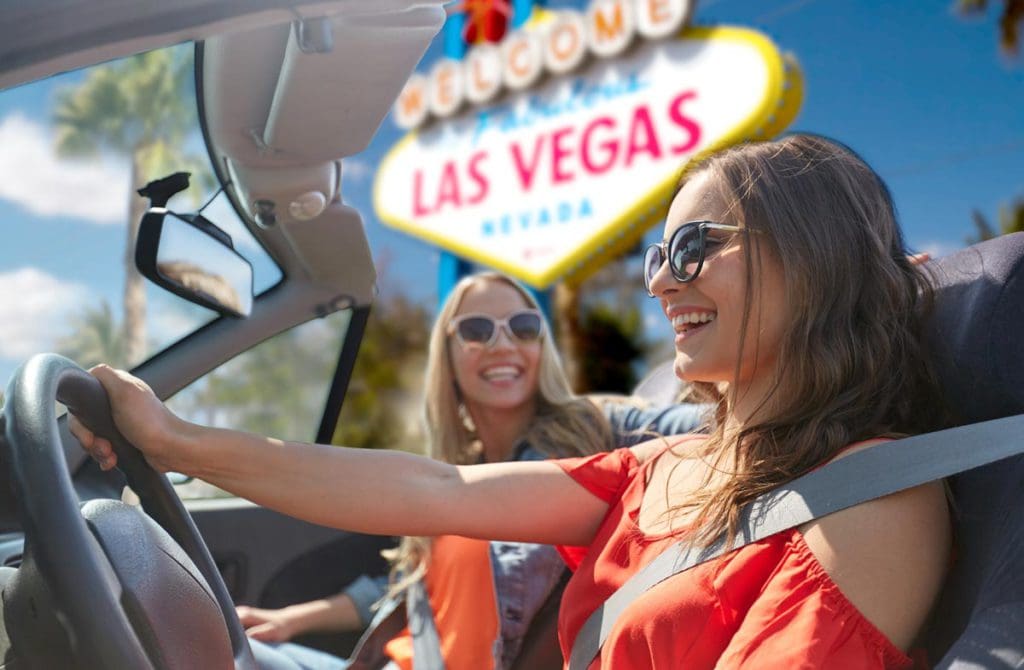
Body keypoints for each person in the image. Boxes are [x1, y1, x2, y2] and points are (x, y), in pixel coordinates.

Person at [72, 134, 951, 669]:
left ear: (817, 256)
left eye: (691, 247)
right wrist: (176, 439)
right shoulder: (663, 464)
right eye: (654, 255)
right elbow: (436, 493)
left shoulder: (875, 498)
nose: (659, 282)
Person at [220, 271, 706, 670]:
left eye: (522, 327)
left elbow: (711, 426)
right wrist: (291, 620)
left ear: (542, 347)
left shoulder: (596, 428)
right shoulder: (450, 468)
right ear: (447, 358)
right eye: (476, 330)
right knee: (215, 648)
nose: (502, 344)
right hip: (391, 661)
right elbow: (408, 588)